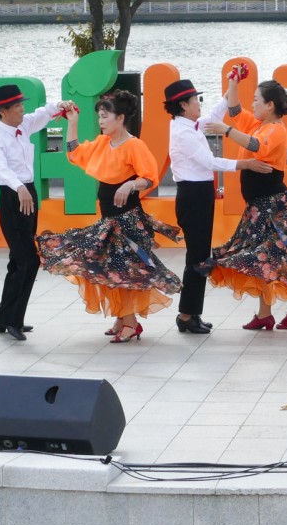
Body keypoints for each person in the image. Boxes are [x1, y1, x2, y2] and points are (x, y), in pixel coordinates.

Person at [37, 91, 182, 343]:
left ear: (120, 117)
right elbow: (74, 153)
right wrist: (73, 122)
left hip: (127, 221)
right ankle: (122, 318)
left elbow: (149, 177)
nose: (101, 121)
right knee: (105, 267)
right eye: (99, 117)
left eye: (105, 116)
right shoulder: (103, 143)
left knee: (120, 271)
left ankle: (131, 323)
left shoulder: (134, 145)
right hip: (109, 220)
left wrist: (130, 185)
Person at [201, 73, 287, 330]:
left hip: (274, 206)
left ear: (270, 105)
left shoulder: (276, 130)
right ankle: (272, 312)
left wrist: (226, 130)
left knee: (276, 258)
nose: (252, 104)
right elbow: (235, 110)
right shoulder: (258, 124)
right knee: (265, 259)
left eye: (256, 100)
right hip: (258, 206)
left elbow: (257, 146)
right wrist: (233, 83)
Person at [163, 77, 274, 334]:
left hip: (200, 193)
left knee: (200, 255)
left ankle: (191, 313)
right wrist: (245, 164)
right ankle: (186, 315)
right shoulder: (182, 132)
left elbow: (215, 115)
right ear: (183, 105)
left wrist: (232, 85)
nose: (199, 103)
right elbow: (209, 161)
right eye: (195, 100)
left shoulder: (189, 124)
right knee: (197, 257)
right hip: (192, 196)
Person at [0, 83, 69, 342]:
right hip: (13, 197)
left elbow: (41, 115)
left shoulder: (22, 126)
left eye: (22, 104)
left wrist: (59, 106)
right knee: (28, 261)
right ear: (3, 111)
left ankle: (3, 318)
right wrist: (19, 187)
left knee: (17, 260)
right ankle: (13, 320)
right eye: (17, 106)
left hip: (27, 193)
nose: (22, 109)